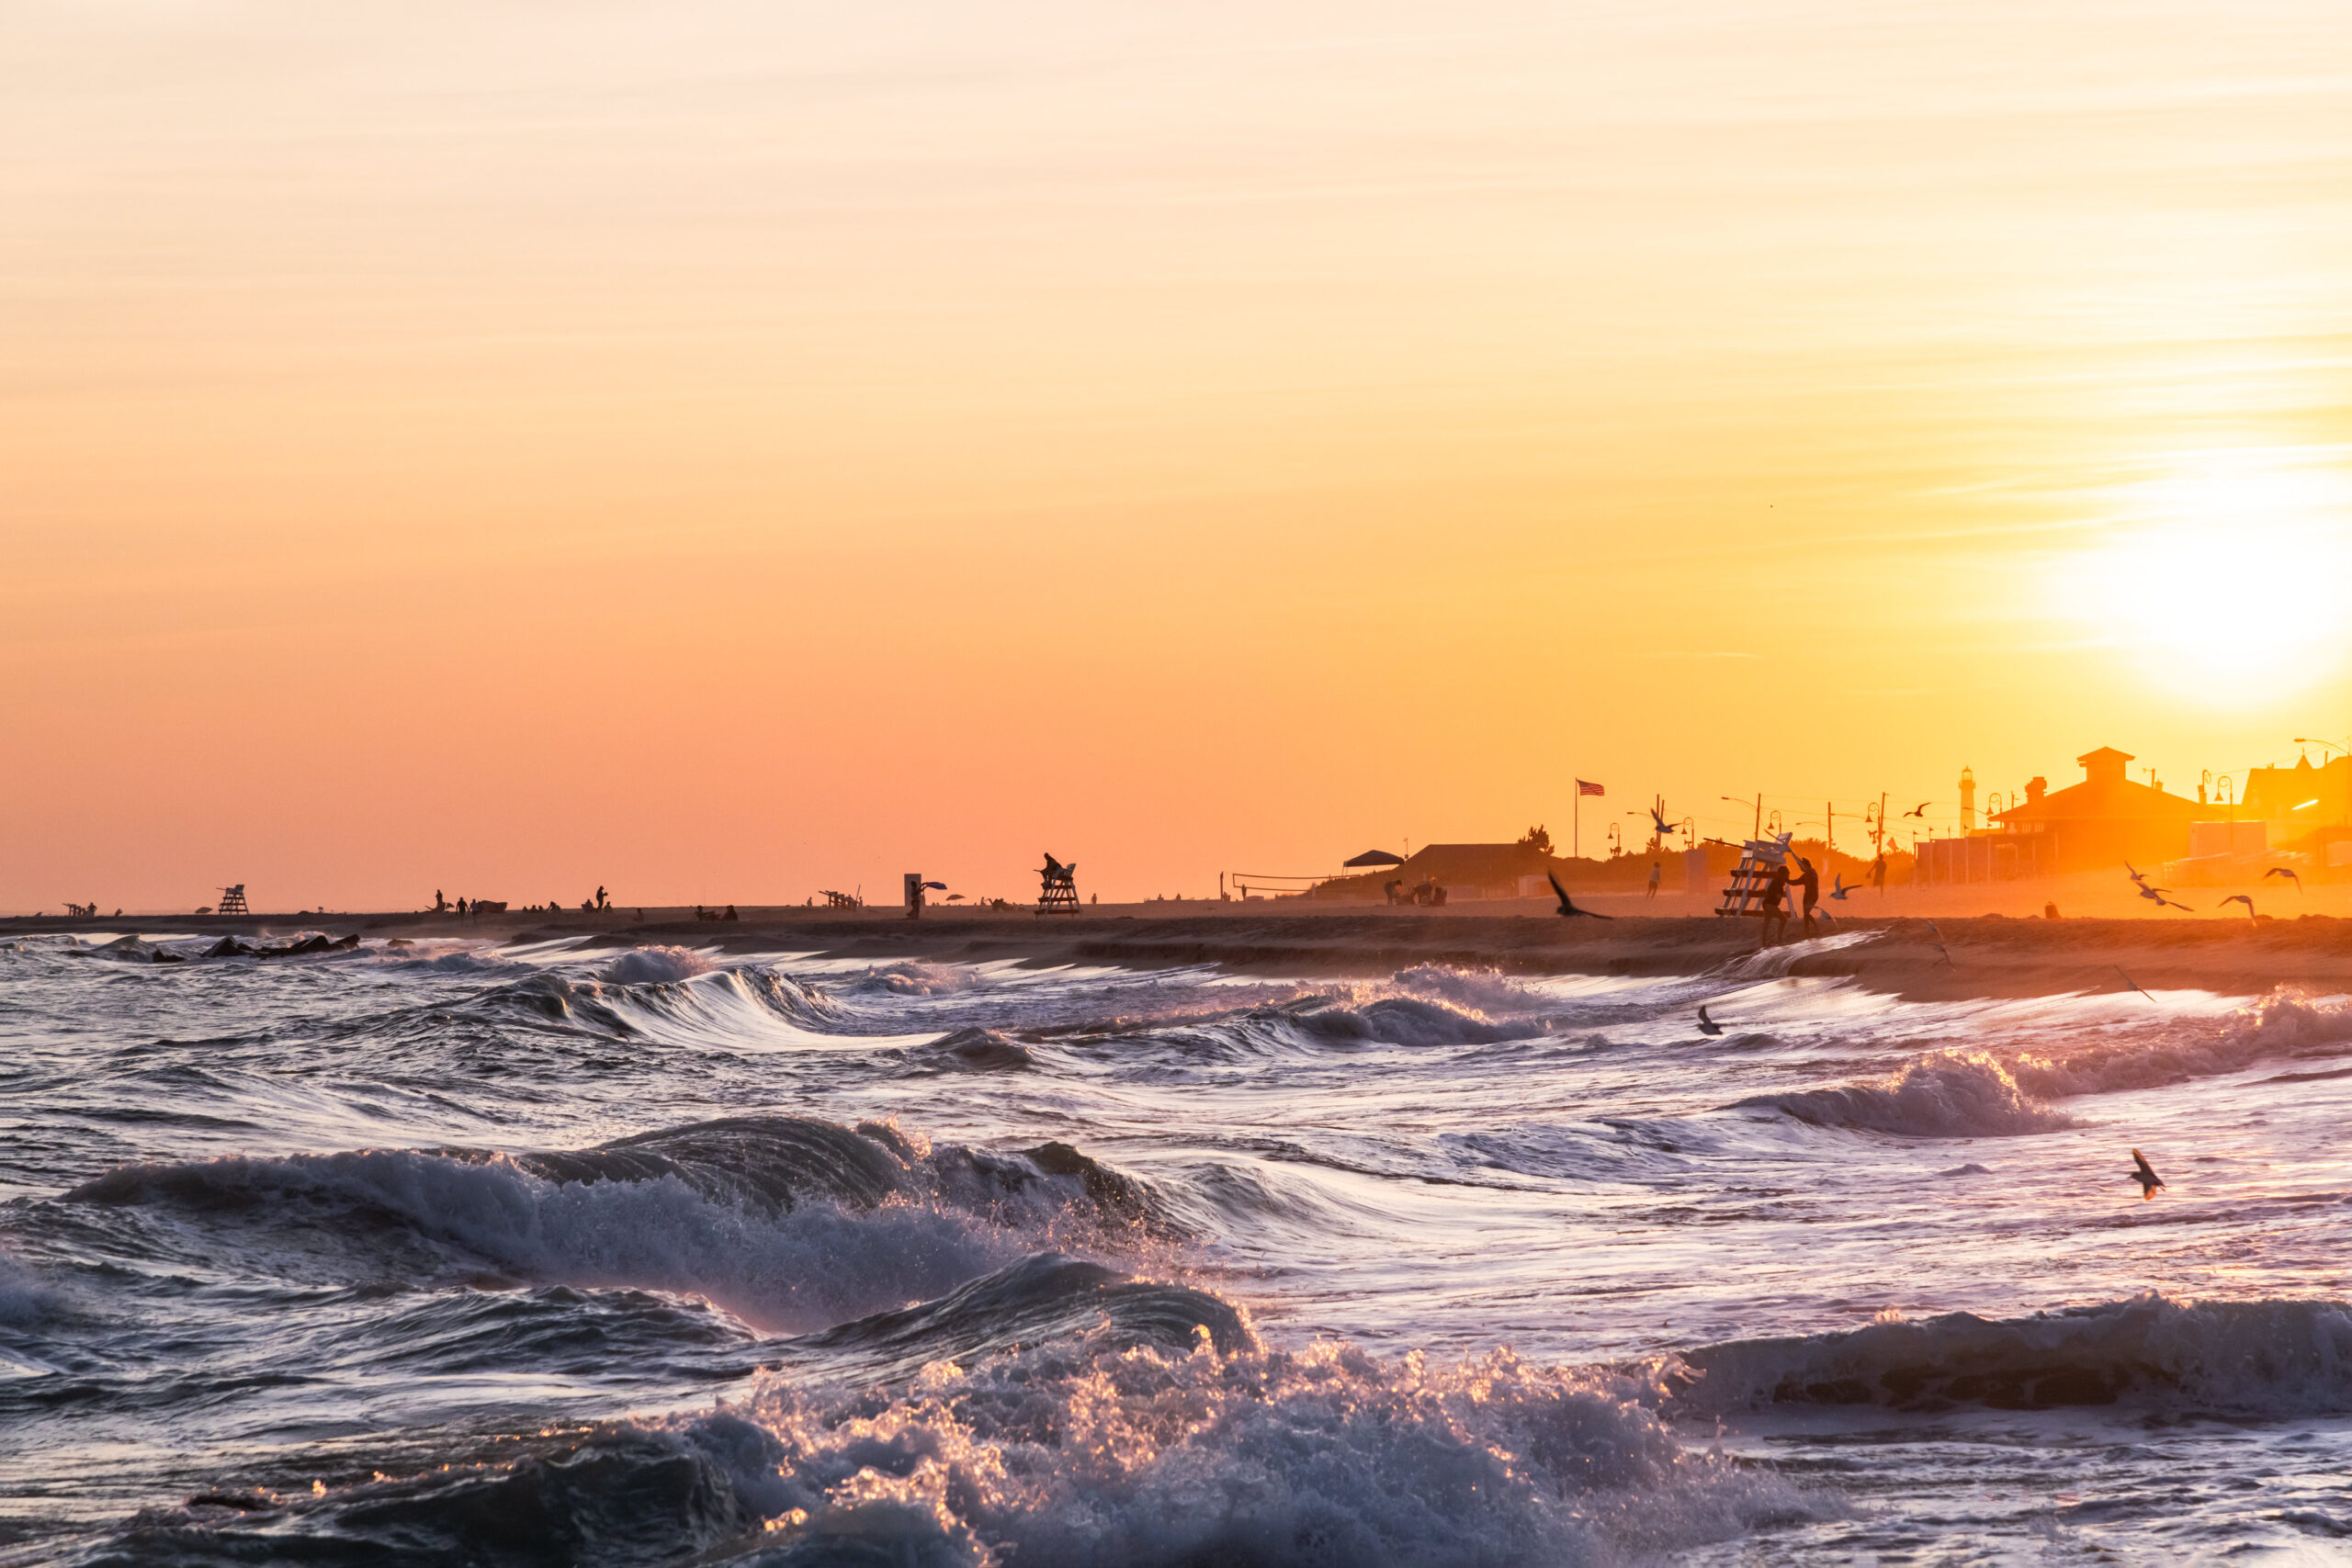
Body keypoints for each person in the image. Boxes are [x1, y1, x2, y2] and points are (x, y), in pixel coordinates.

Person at [1758, 860, 1792, 945]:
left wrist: (1779, 895)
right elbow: (1775, 894)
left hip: (1766, 904)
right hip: (1770, 905)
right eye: (1787, 874)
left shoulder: (1777, 881)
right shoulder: (1779, 882)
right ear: (1783, 874)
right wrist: (1780, 895)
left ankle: (1764, 943)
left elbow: (1772, 892)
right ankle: (1779, 940)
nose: (1788, 875)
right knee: (1783, 920)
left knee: (1766, 923)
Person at [1792, 855, 1821, 938]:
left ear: (1806, 866)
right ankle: (1806, 932)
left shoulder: (1812, 873)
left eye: (1802, 866)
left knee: (1806, 913)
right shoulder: (1806, 875)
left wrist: (1801, 863)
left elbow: (1811, 880)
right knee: (1805, 915)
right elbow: (1795, 882)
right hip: (1806, 896)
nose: (1801, 868)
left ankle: (1816, 928)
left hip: (1813, 896)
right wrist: (1786, 880)